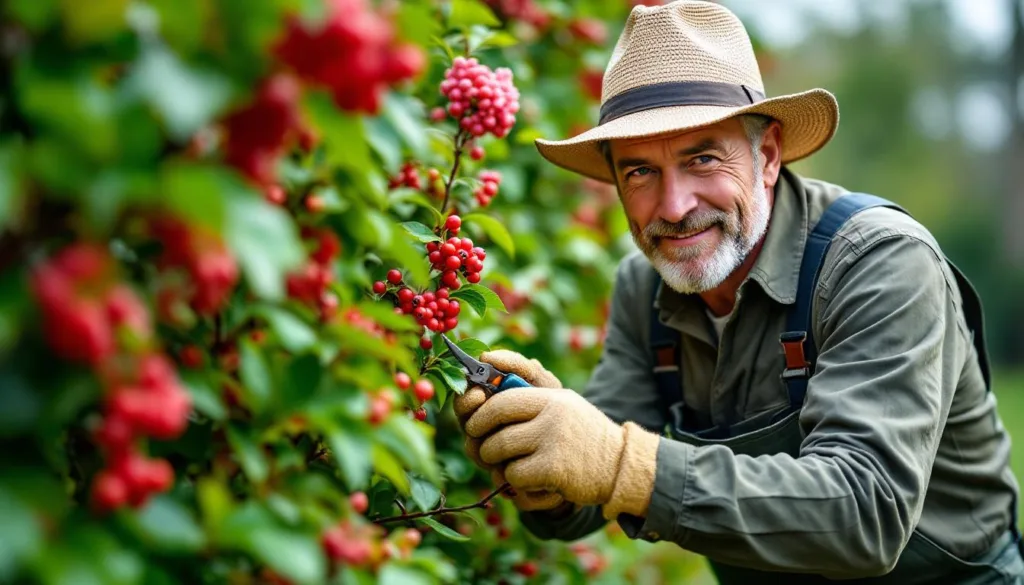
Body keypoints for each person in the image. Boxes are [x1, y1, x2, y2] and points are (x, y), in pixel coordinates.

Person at [452, 1, 1024, 583]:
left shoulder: (881, 264)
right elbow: (583, 502)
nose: (674, 207)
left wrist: (621, 462)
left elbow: (865, 513)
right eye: (640, 171)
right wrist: (538, 455)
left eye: (702, 158)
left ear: (768, 155)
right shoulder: (642, 290)